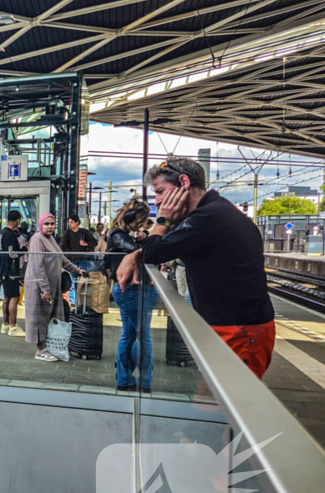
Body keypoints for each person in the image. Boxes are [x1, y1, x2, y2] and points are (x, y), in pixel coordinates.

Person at [117, 157, 276, 379]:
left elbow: (154, 251)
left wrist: (162, 221)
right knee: (210, 403)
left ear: (183, 183)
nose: (157, 202)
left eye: (160, 191)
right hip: (231, 326)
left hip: (239, 330)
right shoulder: (211, 212)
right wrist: (136, 254)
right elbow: (161, 247)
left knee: (226, 405)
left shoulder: (208, 217)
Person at [106, 199, 158, 391]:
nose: (141, 224)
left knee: (129, 334)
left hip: (129, 289)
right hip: (132, 290)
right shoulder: (118, 235)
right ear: (129, 218)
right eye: (140, 220)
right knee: (144, 336)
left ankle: (125, 379)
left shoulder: (124, 235)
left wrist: (142, 238)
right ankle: (145, 382)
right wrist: (143, 242)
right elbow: (137, 252)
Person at [24, 213, 86, 362]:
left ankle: (49, 347)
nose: (50, 227)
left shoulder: (50, 239)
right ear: (40, 225)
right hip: (40, 286)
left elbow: (61, 258)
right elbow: (37, 265)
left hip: (51, 285)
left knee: (50, 316)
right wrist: (44, 288)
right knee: (41, 318)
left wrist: (77, 270)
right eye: (46, 224)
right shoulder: (37, 239)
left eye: (52, 223)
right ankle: (40, 351)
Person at [0, 211, 27, 336]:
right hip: (11, 270)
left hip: (3, 268)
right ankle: (13, 327)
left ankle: (5, 324)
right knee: (14, 297)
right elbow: (12, 254)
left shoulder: (1, 233)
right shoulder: (10, 235)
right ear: (18, 220)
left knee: (7, 297)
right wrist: (24, 249)